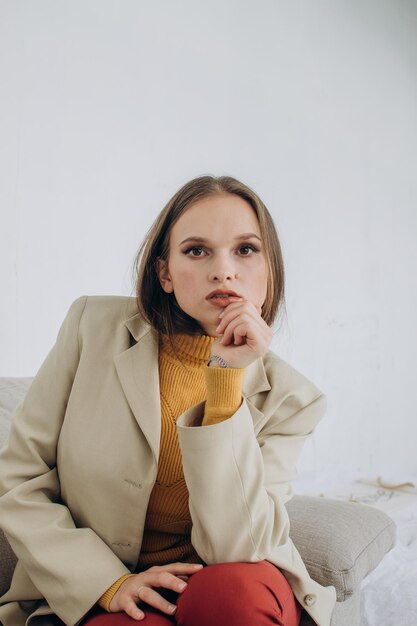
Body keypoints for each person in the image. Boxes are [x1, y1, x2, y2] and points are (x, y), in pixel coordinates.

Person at [0, 175, 337, 626]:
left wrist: (225, 380)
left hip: (223, 582)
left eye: (245, 250)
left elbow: (236, 548)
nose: (223, 271)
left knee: (232, 593)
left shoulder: (294, 399)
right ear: (165, 273)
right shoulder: (90, 327)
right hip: (99, 588)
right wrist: (109, 583)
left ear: (269, 269)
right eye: (196, 250)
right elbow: (18, 480)